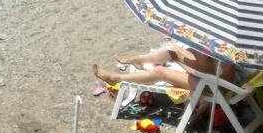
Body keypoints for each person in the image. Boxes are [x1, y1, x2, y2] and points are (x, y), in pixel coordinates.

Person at [92, 46, 233, 92]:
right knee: (172, 52)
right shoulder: (225, 44)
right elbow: (207, 65)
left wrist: (180, 61)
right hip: (210, 76)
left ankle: (116, 78)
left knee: (161, 72)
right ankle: (139, 60)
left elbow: (215, 76)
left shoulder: (226, 53)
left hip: (214, 87)